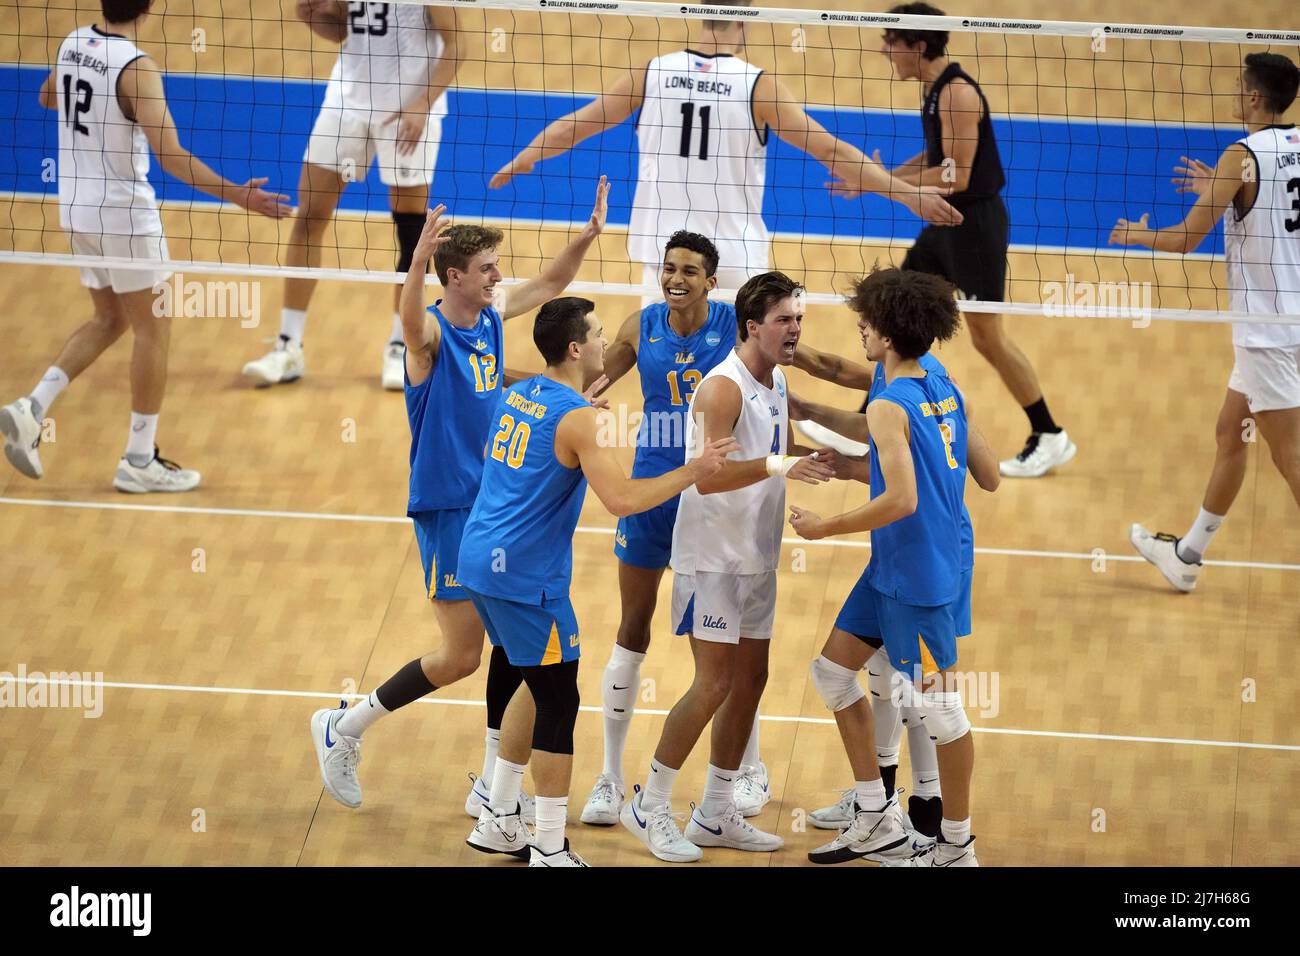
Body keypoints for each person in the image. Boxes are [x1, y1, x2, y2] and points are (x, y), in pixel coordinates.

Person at [309, 180, 611, 831]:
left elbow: (550, 283)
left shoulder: (492, 324)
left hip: (488, 511)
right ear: (455, 277)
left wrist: (585, 238)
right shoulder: (432, 342)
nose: (499, 276)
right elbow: (410, 320)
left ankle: (492, 787)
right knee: (461, 657)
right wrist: (414, 260)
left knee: (509, 643)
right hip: (448, 510)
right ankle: (343, 726)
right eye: (486, 270)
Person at [458, 296, 737, 866]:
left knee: (533, 688)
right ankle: (550, 844)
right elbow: (623, 500)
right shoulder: (579, 417)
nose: (608, 343)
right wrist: (694, 470)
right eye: (599, 334)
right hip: (528, 580)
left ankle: (498, 817)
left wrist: (576, 415)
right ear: (575, 348)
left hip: (479, 563)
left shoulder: (522, 394)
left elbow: (542, 444)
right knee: (560, 702)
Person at [0, 0, 289, 490]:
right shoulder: (137, 68)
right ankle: (138, 460)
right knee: (153, 331)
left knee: (110, 318)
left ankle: (31, 408)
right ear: (151, 5)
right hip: (123, 217)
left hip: (76, 210)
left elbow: (49, 96)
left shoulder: (73, 41)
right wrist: (240, 195)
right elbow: (171, 155)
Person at [489, 0, 960, 300]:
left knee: (668, 381)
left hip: (665, 256)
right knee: (744, 382)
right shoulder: (757, 86)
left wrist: (526, 156)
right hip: (734, 258)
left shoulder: (650, 73)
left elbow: (576, 126)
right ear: (745, 22)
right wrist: (906, 194)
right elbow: (832, 151)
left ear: (697, 17)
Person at [621, 271, 837, 863]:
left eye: (798, 319)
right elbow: (708, 477)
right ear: (752, 327)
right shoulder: (724, 389)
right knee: (713, 683)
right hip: (712, 558)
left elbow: (785, 451)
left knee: (750, 682)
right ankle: (651, 802)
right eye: (784, 321)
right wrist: (777, 466)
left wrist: (846, 460)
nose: (795, 330)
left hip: (755, 557)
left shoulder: (778, 381)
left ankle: (716, 813)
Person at [789, 267, 998, 868]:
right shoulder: (938, 380)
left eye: (868, 320)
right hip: (916, 562)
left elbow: (903, 496)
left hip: (919, 577)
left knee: (942, 712)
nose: (861, 326)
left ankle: (956, 848)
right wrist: (810, 409)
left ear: (887, 332)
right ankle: (877, 814)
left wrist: (824, 526)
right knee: (833, 673)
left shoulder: (889, 403)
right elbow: (987, 473)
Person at [1111, 53, 1300, 590]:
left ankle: (1188, 556)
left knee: (1291, 459)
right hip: (1292, 320)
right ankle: (1187, 556)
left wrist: (1135, 235)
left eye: (1241, 90)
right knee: (1230, 433)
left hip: (1268, 333)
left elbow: (1185, 238)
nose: (1235, 96)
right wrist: (1218, 192)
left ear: (1255, 98)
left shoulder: (1240, 157)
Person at [868, 2, 1075, 479]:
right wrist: (881, 177)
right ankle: (866, 416)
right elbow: (937, 152)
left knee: (988, 338)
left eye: (891, 44)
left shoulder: (957, 94)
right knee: (893, 306)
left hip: (973, 226)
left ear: (919, 46)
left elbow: (956, 174)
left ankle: (1049, 433)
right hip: (946, 225)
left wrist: (895, 189)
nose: (885, 51)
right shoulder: (933, 89)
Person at [241, 0, 461, 390]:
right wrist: (314, 17)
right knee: (310, 214)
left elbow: (460, 42)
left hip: (408, 112)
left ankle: (401, 346)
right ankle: (288, 345)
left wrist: (422, 103)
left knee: (411, 233)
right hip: (347, 103)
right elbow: (348, 30)